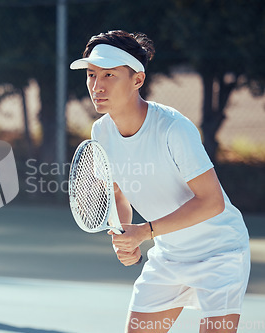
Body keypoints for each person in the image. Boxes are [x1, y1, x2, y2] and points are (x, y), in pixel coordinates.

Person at [70, 30, 250, 332]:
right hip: (169, 256)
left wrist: (145, 231)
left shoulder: (173, 128)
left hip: (221, 254)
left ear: (137, 80)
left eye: (109, 75)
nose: (97, 86)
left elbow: (212, 202)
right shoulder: (101, 132)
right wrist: (125, 234)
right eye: (91, 74)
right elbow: (117, 194)